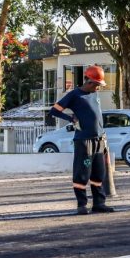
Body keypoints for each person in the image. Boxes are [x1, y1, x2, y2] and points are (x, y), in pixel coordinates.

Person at [49, 65, 115, 215]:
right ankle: (82, 205)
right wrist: (70, 118)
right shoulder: (74, 95)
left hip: (99, 139)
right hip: (83, 140)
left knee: (99, 173)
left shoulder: (95, 95)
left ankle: (99, 203)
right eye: (97, 85)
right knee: (82, 172)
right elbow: (54, 110)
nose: (98, 88)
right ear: (90, 82)